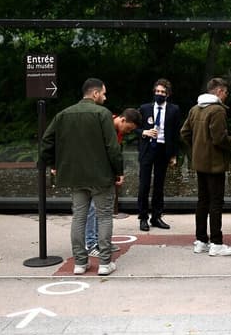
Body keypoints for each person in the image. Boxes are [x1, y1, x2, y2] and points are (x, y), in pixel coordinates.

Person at [41, 78, 124, 276]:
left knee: (78, 217)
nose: (105, 96)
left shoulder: (63, 115)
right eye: (103, 93)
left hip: (75, 176)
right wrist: (118, 171)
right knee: (104, 217)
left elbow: (47, 140)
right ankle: (104, 263)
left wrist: (53, 164)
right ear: (95, 94)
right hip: (101, 176)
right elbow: (112, 147)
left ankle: (80, 262)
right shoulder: (103, 114)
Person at [180, 77, 231, 256]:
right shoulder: (218, 111)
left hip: (199, 163)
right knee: (216, 203)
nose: (227, 96)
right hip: (215, 164)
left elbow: (184, 133)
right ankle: (216, 243)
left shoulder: (194, 109)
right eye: (226, 92)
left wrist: (196, 148)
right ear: (219, 92)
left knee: (202, 202)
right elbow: (219, 139)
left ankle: (200, 241)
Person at [85, 108, 142, 257]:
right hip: (95, 170)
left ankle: (101, 241)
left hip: (105, 172)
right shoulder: (105, 124)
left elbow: (114, 153)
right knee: (93, 207)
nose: (128, 132)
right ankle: (91, 243)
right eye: (128, 128)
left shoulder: (117, 130)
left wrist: (116, 172)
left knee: (102, 207)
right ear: (123, 120)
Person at [136, 78, 182, 232]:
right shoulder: (144, 108)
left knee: (159, 185)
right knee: (144, 184)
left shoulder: (174, 110)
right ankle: (143, 217)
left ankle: (156, 216)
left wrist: (174, 155)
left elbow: (176, 133)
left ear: (167, 94)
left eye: (163, 92)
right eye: (157, 91)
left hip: (163, 149)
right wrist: (144, 132)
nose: (160, 94)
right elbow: (132, 126)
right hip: (148, 148)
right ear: (154, 92)